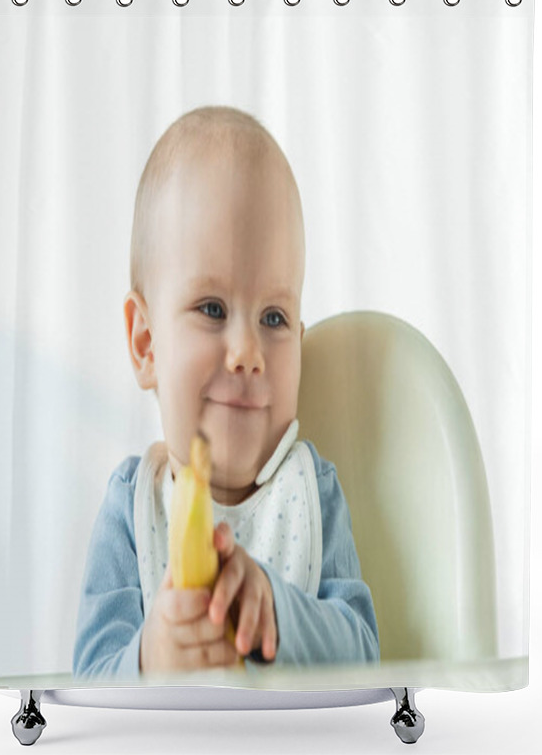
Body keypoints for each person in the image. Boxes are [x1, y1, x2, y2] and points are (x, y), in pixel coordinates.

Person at [73, 106, 379, 679]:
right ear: (146, 345)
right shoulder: (131, 505)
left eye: (274, 316)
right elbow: (90, 674)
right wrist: (150, 657)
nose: (246, 351)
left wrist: (278, 613)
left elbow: (365, 653)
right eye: (212, 309)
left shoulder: (311, 490)